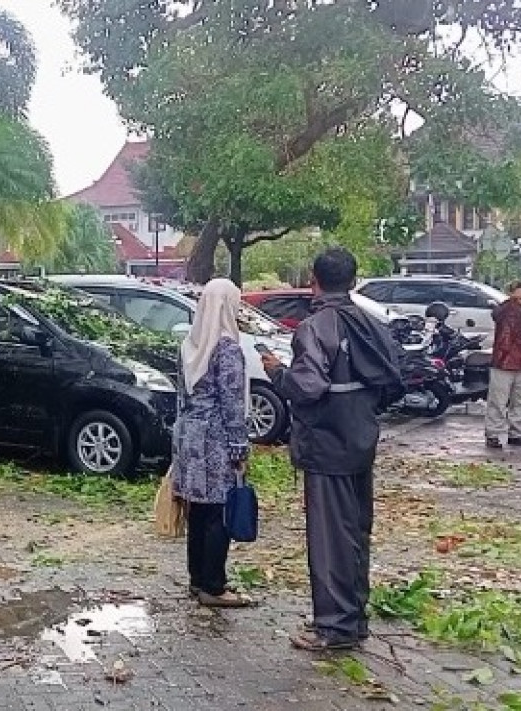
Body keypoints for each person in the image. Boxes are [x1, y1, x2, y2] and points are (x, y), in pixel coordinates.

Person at [260, 248, 402, 651]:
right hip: (361, 441)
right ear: (354, 282)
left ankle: (334, 628)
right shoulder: (373, 325)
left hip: (326, 446)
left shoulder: (315, 326)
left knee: (329, 538)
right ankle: (354, 619)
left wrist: (277, 373)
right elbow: (392, 383)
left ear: (314, 281)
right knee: (356, 532)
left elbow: (307, 387)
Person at [171, 278, 253, 608]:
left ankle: (197, 578)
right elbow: (232, 402)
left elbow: (181, 396)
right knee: (219, 511)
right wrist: (239, 447)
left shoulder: (191, 344)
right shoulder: (227, 348)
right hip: (216, 438)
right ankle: (214, 586)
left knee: (199, 512)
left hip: (189, 435)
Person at [485, 280, 521, 449]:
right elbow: (507, 338)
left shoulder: (514, 311)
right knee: (510, 400)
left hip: (515, 360)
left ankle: (502, 433)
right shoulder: (510, 311)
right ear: (512, 292)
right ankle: (504, 433)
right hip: (508, 361)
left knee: (511, 400)